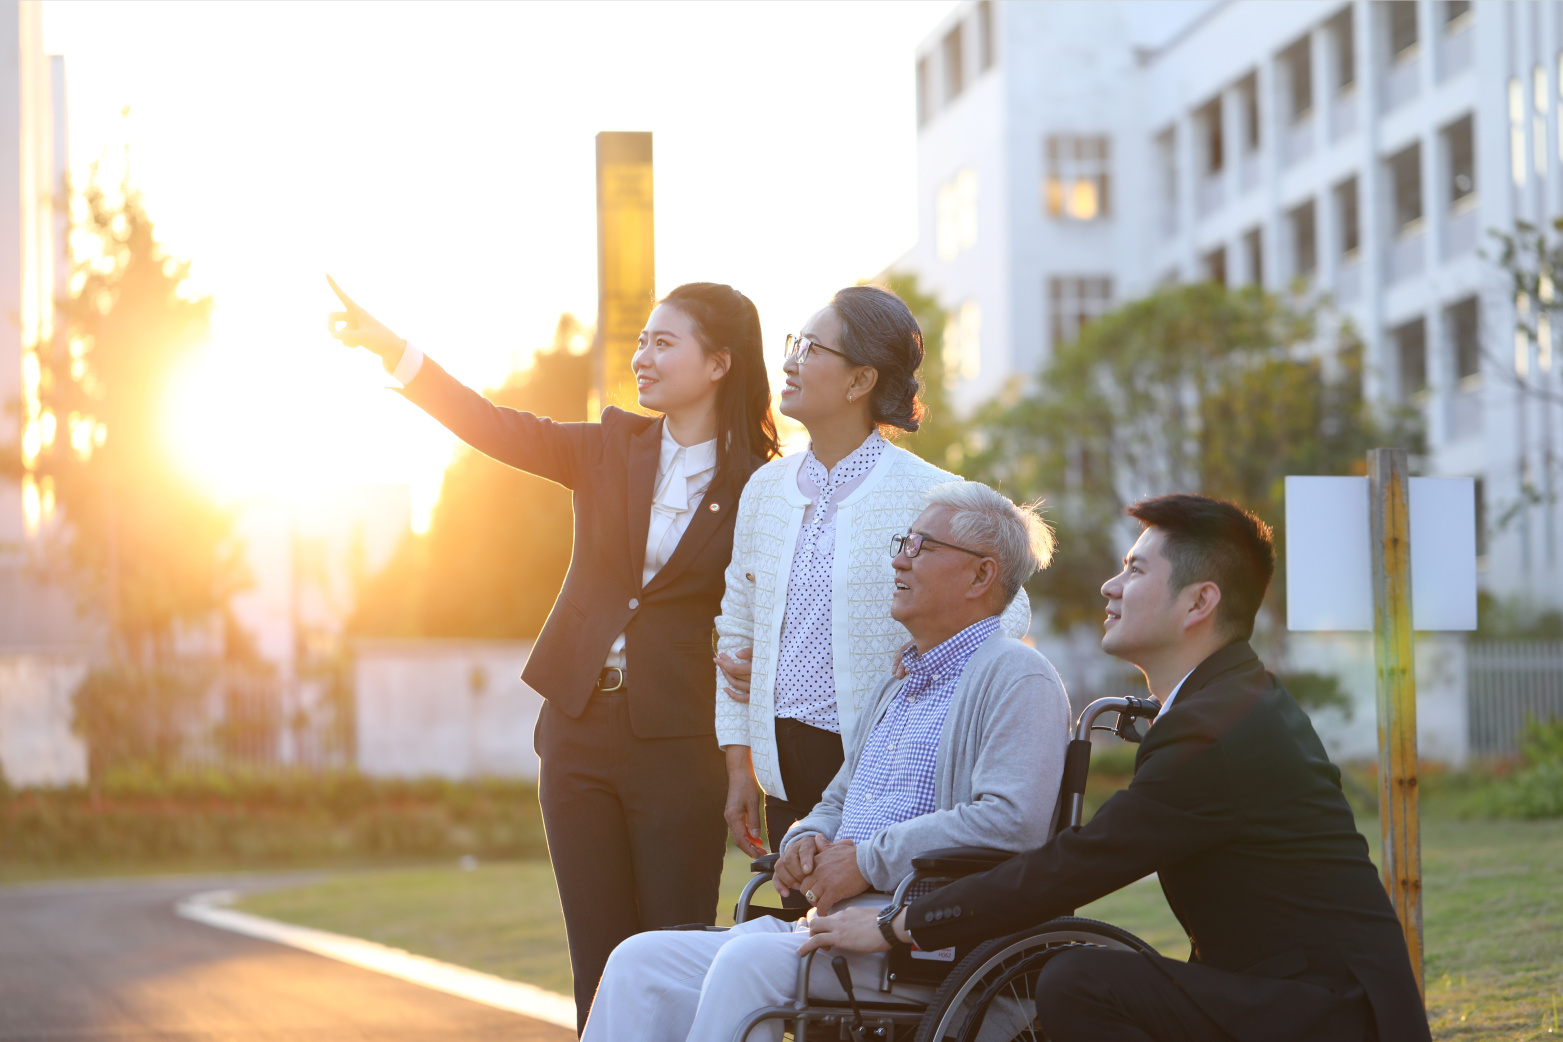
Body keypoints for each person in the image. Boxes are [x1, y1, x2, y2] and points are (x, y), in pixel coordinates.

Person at [807, 494, 1432, 1042]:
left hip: (1328, 1013)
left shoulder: (1220, 728)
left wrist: (900, 926)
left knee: (1083, 980)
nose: (1110, 586)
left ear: (1199, 602)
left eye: (1134, 570)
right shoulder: (1224, 701)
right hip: (1280, 993)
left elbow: (1079, 864)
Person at [327, 277, 779, 1033]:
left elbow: (775, 604)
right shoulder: (608, 445)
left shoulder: (761, 484)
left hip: (678, 748)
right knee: (597, 964)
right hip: (576, 734)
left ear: (718, 364)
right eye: (641, 340)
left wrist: (747, 725)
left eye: (663, 341)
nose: (642, 355)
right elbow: (495, 426)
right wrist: (400, 355)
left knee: (671, 954)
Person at [582, 481, 1068, 1042]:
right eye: (903, 542)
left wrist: (867, 860)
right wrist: (805, 840)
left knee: (744, 967)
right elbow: (838, 800)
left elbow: (1012, 820)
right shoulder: (899, 683)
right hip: (833, 925)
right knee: (638, 960)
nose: (898, 559)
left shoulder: (1016, 676)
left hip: (922, 937)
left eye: (922, 547)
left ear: (981, 575)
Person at [714, 285, 1030, 865]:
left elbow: (1007, 611)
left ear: (861, 381)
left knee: (850, 945)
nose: (789, 361)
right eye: (794, 343)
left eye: (811, 349)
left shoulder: (930, 493)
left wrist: (917, 669)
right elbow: (737, 625)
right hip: (781, 777)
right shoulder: (765, 489)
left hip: (885, 783)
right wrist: (740, 767)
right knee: (790, 944)